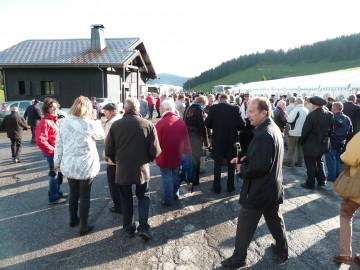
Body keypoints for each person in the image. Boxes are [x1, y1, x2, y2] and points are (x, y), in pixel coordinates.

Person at [221, 97, 288, 269]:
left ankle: (239, 258)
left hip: (259, 189)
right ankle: (282, 249)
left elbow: (258, 167)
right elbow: (264, 156)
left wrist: (241, 169)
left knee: (245, 223)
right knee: (274, 218)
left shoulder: (264, 134)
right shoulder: (272, 128)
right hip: (272, 187)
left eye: (251, 112)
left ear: (264, 112)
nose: (247, 116)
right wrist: (245, 157)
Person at [105, 97, 161, 240]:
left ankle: (128, 228)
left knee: (126, 198)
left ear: (126, 108)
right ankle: (143, 227)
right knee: (143, 197)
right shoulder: (148, 124)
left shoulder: (116, 125)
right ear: (138, 109)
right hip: (142, 168)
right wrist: (147, 160)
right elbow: (155, 150)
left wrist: (117, 160)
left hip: (122, 168)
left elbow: (109, 150)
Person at [54, 96, 105, 236]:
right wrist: (96, 120)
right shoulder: (90, 123)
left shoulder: (63, 123)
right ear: (89, 109)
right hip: (86, 165)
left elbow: (59, 145)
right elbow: (101, 135)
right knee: (84, 195)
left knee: (73, 193)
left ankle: (73, 219)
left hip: (69, 164)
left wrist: (56, 163)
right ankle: (83, 225)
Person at [205, 94, 245, 194]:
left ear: (219, 99)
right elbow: (242, 124)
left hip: (218, 139)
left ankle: (216, 187)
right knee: (231, 163)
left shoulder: (213, 108)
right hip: (232, 140)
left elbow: (207, 123)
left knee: (217, 163)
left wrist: (216, 126)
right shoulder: (235, 109)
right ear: (228, 99)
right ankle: (230, 187)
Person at [155, 98, 192, 205]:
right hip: (178, 154)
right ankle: (175, 194)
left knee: (166, 177)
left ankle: (167, 199)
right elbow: (186, 139)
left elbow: (156, 141)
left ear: (165, 108)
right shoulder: (180, 121)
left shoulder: (161, 123)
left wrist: (153, 154)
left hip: (164, 155)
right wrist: (187, 152)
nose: (161, 109)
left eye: (162, 107)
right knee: (175, 175)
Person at [334, 131, 360, 265]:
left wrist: (343, 155)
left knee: (346, 214)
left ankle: (345, 254)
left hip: (357, 186)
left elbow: (350, 157)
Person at [35, 97, 67, 205]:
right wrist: (52, 151)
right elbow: (40, 140)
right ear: (46, 109)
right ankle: (53, 197)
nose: (55, 109)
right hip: (52, 153)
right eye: (52, 108)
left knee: (58, 173)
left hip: (57, 152)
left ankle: (57, 192)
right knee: (54, 175)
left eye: (56, 107)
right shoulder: (45, 122)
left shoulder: (54, 120)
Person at [300, 96, 334, 190]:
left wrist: (302, 142)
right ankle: (322, 180)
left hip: (311, 144)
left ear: (314, 105)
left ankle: (310, 183)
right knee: (319, 161)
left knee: (311, 164)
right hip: (323, 143)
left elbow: (305, 131)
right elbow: (331, 131)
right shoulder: (330, 114)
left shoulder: (311, 115)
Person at [184, 95, 209, 186]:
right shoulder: (199, 109)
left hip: (188, 136)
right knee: (196, 159)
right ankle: (195, 180)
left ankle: (189, 178)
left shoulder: (189, 108)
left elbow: (184, 122)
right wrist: (206, 142)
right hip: (197, 138)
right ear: (202, 102)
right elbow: (202, 126)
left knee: (190, 158)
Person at [102, 103, 123, 213]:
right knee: (122, 182)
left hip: (113, 158)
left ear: (111, 111)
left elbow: (107, 142)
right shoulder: (121, 118)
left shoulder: (110, 123)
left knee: (113, 183)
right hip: (122, 156)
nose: (104, 113)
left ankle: (118, 205)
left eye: (105, 111)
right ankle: (123, 203)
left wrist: (105, 156)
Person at [325, 102, 352, 182]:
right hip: (341, 142)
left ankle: (331, 177)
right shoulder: (347, 118)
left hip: (332, 141)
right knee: (336, 158)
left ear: (333, 108)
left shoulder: (332, 117)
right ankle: (336, 175)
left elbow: (327, 129)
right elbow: (350, 131)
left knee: (330, 159)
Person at [284, 97, 309, 167]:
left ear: (297, 103)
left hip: (294, 132)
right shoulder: (306, 110)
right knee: (300, 149)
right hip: (302, 132)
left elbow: (290, 120)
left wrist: (286, 116)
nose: (294, 103)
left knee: (291, 149)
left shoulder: (296, 110)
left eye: (295, 102)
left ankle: (289, 162)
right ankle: (299, 162)